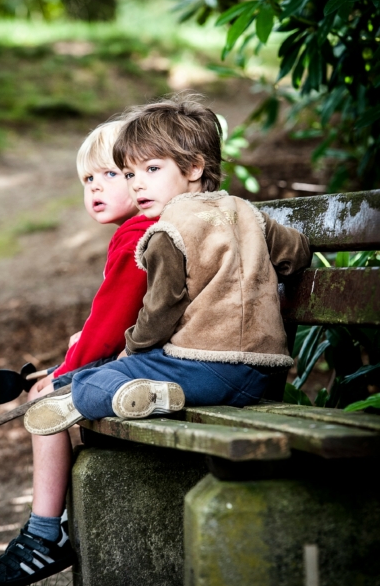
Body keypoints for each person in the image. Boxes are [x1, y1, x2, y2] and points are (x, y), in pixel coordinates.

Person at [23, 94, 311, 435]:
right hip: (263, 374)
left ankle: (139, 395)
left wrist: (131, 351)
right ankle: (152, 393)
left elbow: (160, 310)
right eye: (129, 174)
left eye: (152, 169)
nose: (137, 183)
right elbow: (297, 254)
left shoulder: (167, 231)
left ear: (194, 168)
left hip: (205, 370)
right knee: (117, 373)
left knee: (89, 380)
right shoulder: (246, 212)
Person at [0, 119, 157, 586]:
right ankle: (49, 526)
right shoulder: (140, 231)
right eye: (87, 179)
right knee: (56, 380)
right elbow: (115, 320)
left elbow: (111, 323)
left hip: (161, 365)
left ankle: (44, 533)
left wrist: (67, 371)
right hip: (157, 356)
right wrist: (78, 351)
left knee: (45, 400)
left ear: (140, 176)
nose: (95, 187)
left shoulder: (139, 237)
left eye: (111, 174)